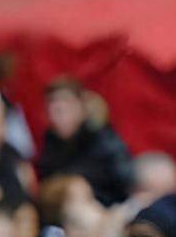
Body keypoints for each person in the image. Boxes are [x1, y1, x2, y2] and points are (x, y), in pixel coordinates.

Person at [37, 77, 133, 207]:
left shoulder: (103, 139)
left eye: (66, 104)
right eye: (53, 105)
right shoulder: (49, 145)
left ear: (81, 107)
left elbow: (126, 180)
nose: (58, 112)